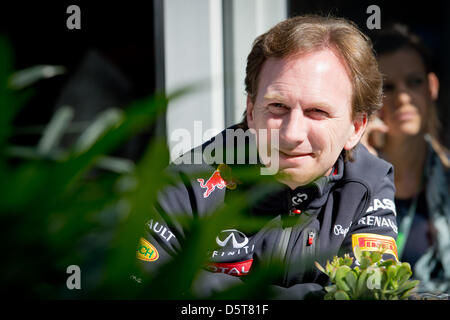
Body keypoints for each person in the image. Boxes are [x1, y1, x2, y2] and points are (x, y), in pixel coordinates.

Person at [134, 15, 400, 299]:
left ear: (356, 127)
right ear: (251, 111)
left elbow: (371, 292)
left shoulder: (367, 184)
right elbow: (146, 286)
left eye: (317, 112)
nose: (291, 133)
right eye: (277, 106)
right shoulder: (191, 180)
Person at [362, 24, 450, 295]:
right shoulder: (353, 179)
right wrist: (361, 162)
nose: (402, 97)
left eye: (414, 82)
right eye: (388, 86)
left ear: (431, 87)